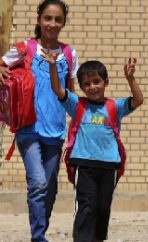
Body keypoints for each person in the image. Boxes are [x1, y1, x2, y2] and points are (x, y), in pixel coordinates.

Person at [43, 52, 143, 241]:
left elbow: (138, 100)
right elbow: (57, 89)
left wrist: (130, 79)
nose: (92, 87)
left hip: (109, 164)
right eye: (86, 84)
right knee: (86, 205)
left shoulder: (115, 106)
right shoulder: (77, 104)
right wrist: (53, 66)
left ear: (106, 82)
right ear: (81, 87)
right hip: (84, 163)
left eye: (96, 81)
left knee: (103, 206)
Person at [0, 1, 78, 241]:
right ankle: (38, 237)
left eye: (57, 19)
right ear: (39, 19)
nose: (52, 24)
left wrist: (78, 124)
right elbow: (2, 64)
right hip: (28, 128)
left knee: (50, 187)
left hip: (55, 131)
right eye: (47, 18)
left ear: (63, 23)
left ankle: (39, 230)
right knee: (38, 183)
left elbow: (71, 92)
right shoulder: (25, 48)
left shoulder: (68, 53)